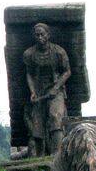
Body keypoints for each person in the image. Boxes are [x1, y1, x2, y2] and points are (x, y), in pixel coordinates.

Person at [22, 22, 71, 156]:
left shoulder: (58, 51)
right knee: (37, 123)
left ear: (48, 35)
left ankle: (58, 154)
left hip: (56, 90)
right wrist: (32, 91)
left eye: (42, 34)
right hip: (39, 92)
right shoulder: (29, 54)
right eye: (37, 35)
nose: (39, 37)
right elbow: (29, 74)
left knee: (55, 116)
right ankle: (39, 156)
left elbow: (67, 72)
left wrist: (56, 88)